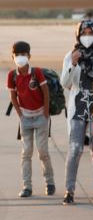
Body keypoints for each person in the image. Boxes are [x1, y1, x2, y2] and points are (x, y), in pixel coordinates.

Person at [60, 20, 93, 205]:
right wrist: (72, 64)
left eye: (90, 32)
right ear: (78, 35)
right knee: (75, 149)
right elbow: (66, 83)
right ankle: (69, 190)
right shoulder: (71, 55)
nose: (87, 36)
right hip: (78, 107)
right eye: (83, 32)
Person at [6, 41, 55, 198]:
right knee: (26, 153)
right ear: (13, 57)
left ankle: (50, 182)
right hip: (25, 118)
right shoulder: (12, 75)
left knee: (43, 152)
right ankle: (27, 186)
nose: (20, 58)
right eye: (17, 55)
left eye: (23, 54)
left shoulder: (37, 72)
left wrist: (46, 113)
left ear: (29, 56)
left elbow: (46, 92)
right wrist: (20, 114)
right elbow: (13, 96)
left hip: (41, 116)